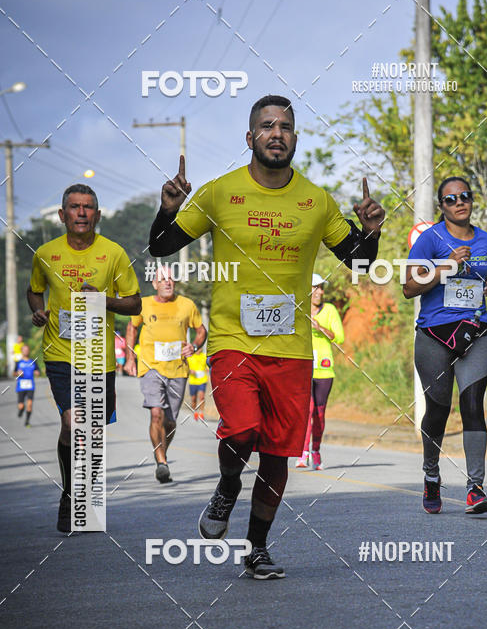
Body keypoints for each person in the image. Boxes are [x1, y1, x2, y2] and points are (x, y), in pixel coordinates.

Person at [148, 94, 384, 578]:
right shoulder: (219, 193)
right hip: (234, 341)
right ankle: (228, 484)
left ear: (294, 138)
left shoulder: (315, 200)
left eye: (286, 127)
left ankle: (256, 547)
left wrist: (371, 230)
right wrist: (167, 208)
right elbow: (161, 246)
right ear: (250, 137)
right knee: (241, 429)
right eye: (267, 126)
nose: (277, 133)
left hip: (292, 350)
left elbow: (358, 261)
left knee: (277, 452)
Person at [28, 184, 141, 532]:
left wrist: (105, 299)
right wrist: (38, 312)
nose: (81, 213)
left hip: (98, 356)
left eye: (88, 207)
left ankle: (84, 492)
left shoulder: (114, 254)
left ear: (98, 215)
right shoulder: (45, 253)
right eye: (74, 207)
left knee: (92, 431)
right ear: (62, 215)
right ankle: (69, 494)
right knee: (71, 422)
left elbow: (135, 303)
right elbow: (35, 291)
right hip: (61, 353)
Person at [404, 176, 487, 514]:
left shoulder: (486, 240)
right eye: (451, 199)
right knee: (439, 410)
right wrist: (447, 266)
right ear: (441, 206)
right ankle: (432, 475)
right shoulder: (431, 240)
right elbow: (409, 286)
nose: (460, 202)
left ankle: (476, 488)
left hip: (477, 332)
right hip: (434, 336)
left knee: (473, 404)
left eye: (465, 196)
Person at [125, 266, 206, 483]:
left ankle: (160, 451)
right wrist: (130, 358)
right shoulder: (144, 304)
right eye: (162, 279)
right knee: (156, 413)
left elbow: (201, 330)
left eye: (170, 278)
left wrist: (195, 346)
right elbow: (132, 328)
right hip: (151, 366)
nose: (167, 282)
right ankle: (162, 462)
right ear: (154, 284)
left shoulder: (186, 305)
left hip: (178, 369)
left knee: (170, 422)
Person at [296, 273, 344, 470]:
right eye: (316, 287)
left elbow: (339, 338)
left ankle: (316, 451)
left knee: (319, 413)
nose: (320, 292)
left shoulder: (330, 310)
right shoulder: (298, 310)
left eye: (321, 287)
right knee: (306, 411)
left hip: (324, 369)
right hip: (303, 368)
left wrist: (320, 327)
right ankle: (303, 453)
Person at [14, 344, 40, 426]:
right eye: (24, 350)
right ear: (22, 351)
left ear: (29, 351)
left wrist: (37, 372)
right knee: (21, 406)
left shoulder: (33, 361)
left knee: (29, 404)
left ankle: (27, 422)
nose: (26, 351)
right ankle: (21, 410)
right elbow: (14, 373)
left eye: (27, 350)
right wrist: (18, 373)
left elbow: (37, 371)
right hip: (21, 386)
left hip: (30, 386)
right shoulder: (18, 362)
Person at [187, 344, 209, 420]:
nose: (199, 350)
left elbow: (208, 365)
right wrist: (190, 371)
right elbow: (186, 368)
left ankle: (201, 413)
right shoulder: (190, 357)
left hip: (202, 379)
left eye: (201, 348)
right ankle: (195, 412)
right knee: (193, 399)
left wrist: (207, 368)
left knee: (201, 397)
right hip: (193, 381)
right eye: (198, 348)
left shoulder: (204, 356)